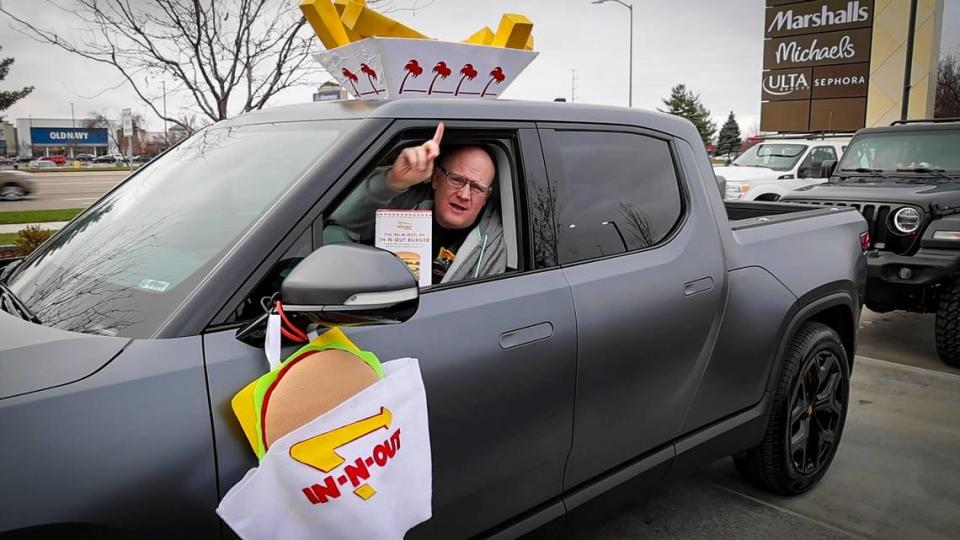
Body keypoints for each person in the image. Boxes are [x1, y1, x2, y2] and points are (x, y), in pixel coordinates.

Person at [327, 123, 506, 284]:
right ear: (436, 179)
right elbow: (342, 219)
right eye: (457, 180)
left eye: (477, 188)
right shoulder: (406, 204)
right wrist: (393, 182)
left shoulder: (493, 245)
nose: (465, 195)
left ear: (486, 197)